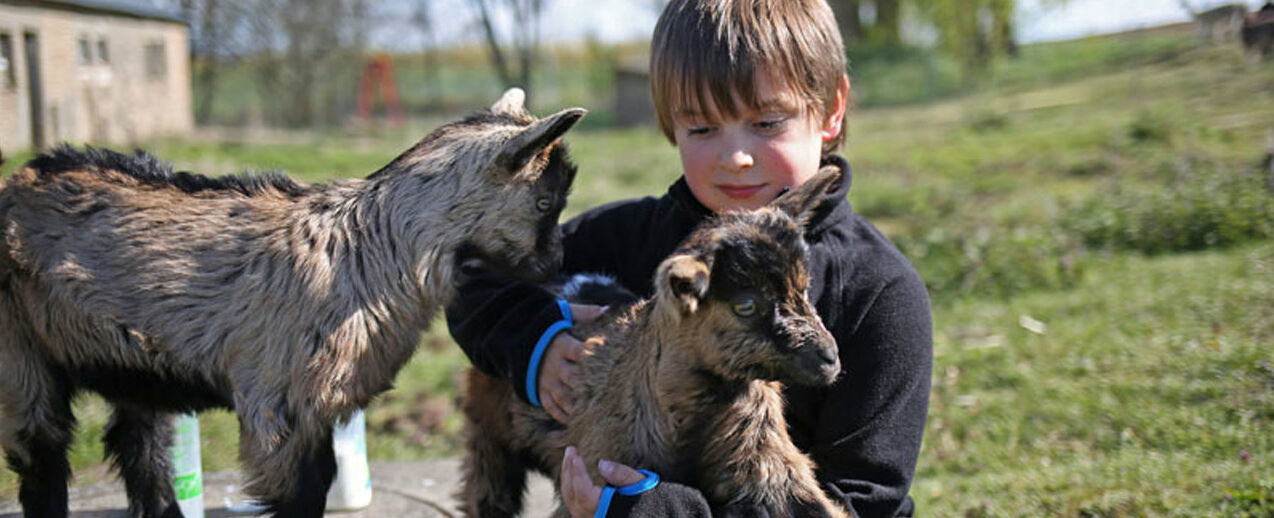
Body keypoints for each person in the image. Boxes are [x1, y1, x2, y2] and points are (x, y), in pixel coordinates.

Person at [445, 0, 933, 516]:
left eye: (767, 122)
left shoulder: (880, 294)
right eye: (702, 129)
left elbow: (865, 499)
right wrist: (534, 342)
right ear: (670, 124)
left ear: (831, 110)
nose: (735, 157)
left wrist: (658, 511)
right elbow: (470, 269)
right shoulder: (630, 238)